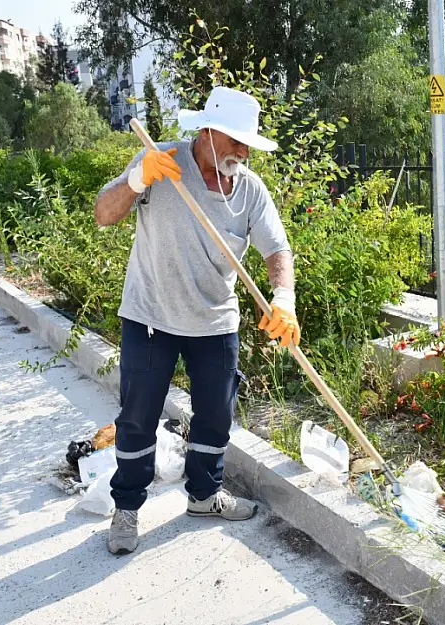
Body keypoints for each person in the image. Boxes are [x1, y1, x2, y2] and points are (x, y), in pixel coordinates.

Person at [93, 86, 300, 555]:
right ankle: (126, 508)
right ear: (206, 131)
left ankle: (204, 496)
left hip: (215, 321)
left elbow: (277, 249)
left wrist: (282, 298)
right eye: (235, 141)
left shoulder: (249, 189)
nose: (242, 152)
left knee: (216, 415)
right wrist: (137, 180)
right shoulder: (160, 159)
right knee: (137, 418)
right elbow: (104, 214)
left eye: (248, 144)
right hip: (151, 316)